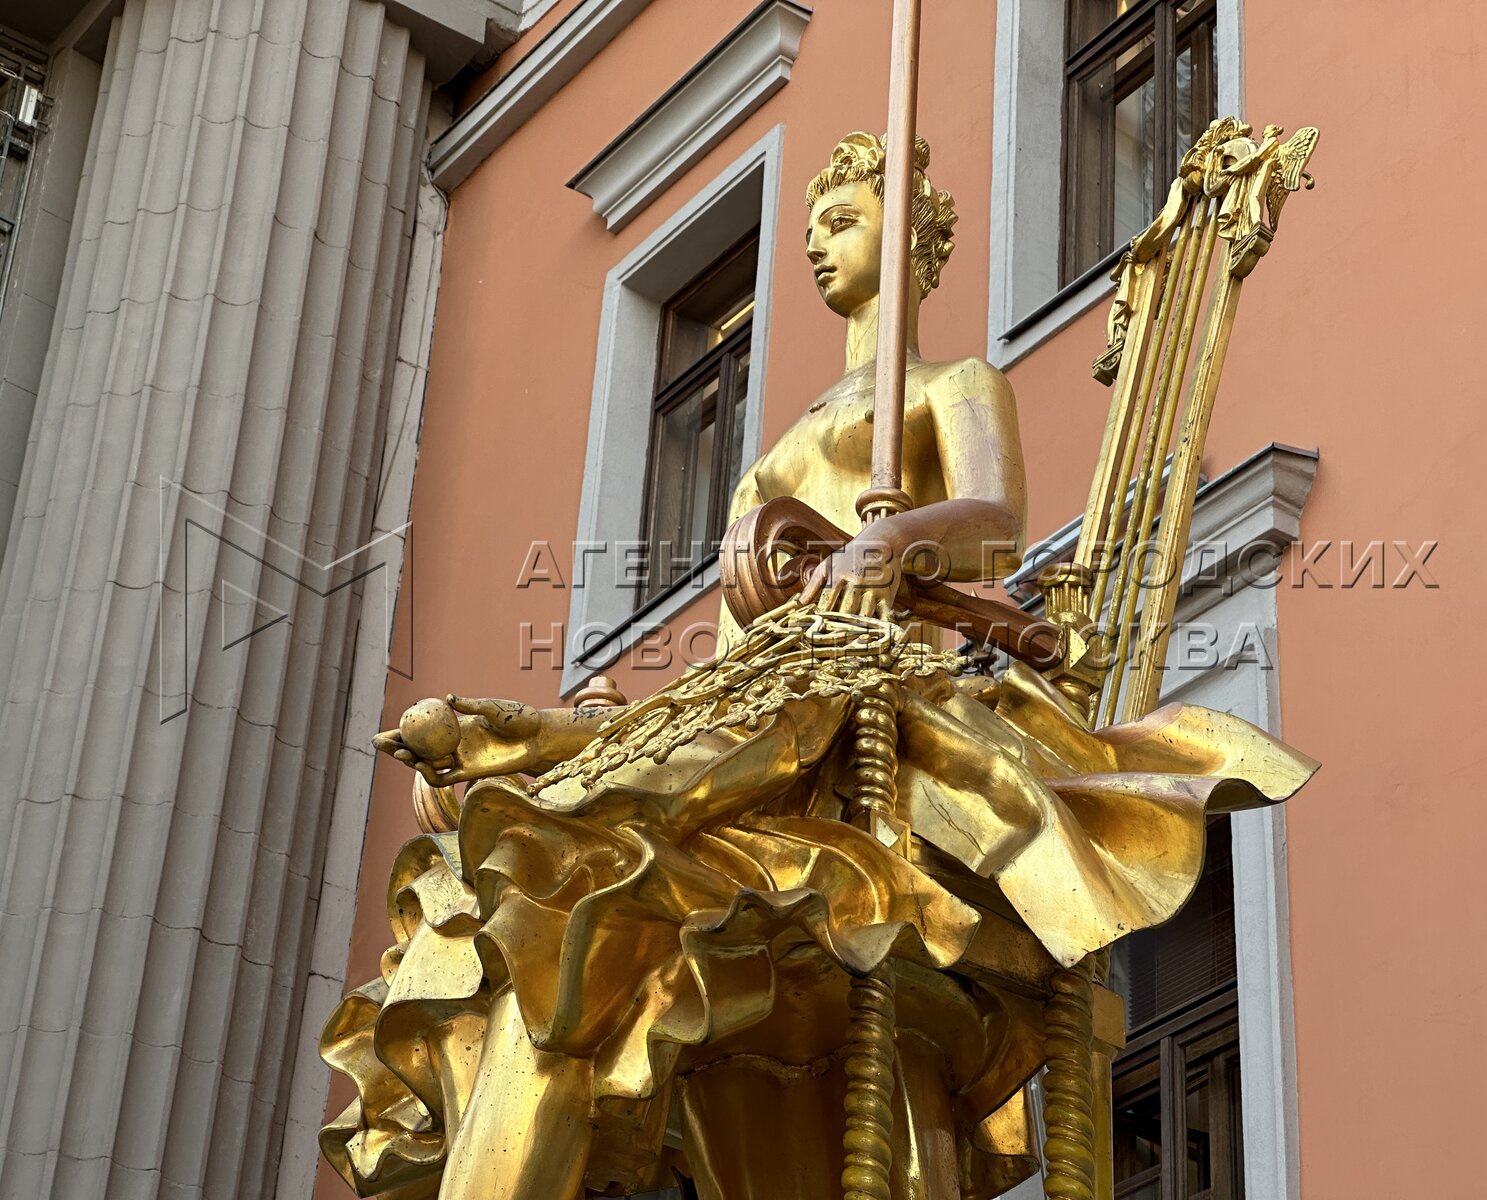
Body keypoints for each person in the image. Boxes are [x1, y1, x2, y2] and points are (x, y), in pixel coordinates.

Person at [320, 133, 1316, 1200]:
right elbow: (722, 680)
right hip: (765, 721)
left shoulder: (951, 382)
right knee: (539, 931)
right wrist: (518, 739)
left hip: (870, 705)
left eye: (842, 221)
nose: (813, 245)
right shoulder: (779, 445)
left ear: (914, 236)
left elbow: (993, 522)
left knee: (591, 909)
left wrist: (893, 537)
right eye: (808, 228)